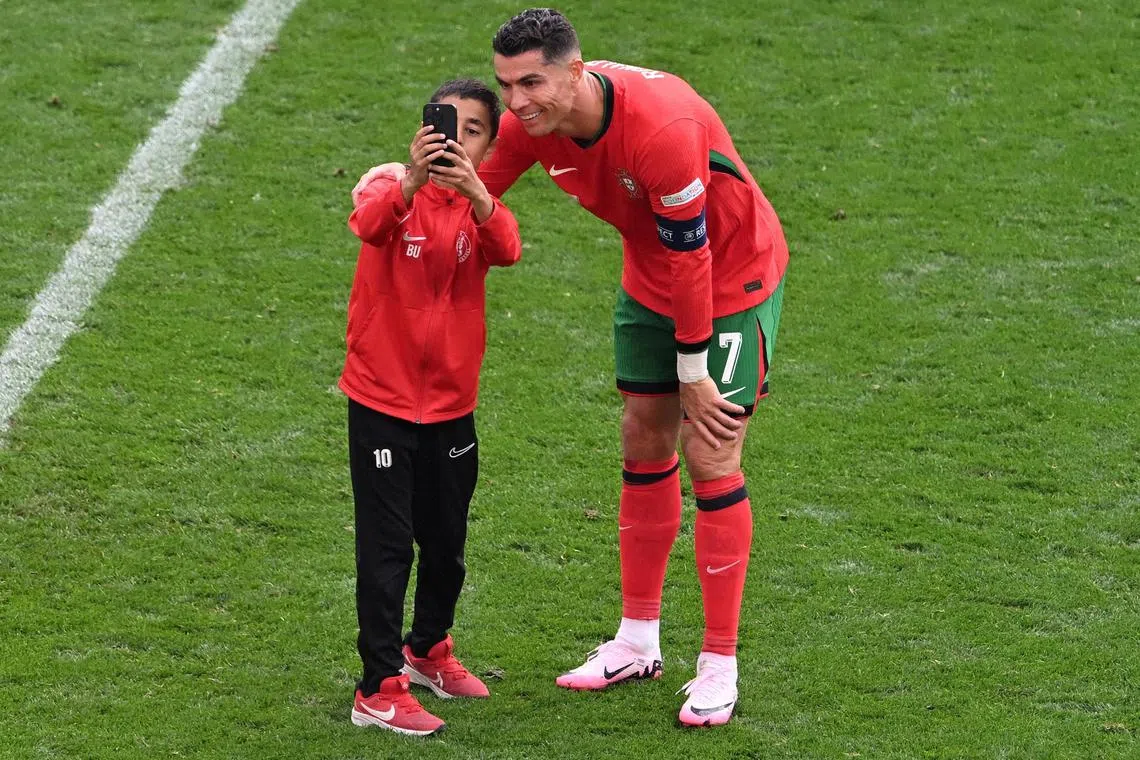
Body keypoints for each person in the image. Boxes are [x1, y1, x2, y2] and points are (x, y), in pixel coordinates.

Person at [355, 8, 788, 727]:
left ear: (578, 71)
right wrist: (396, 185)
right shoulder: (533, 126)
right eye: (506, 85)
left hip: (729, 280)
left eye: (532, 83)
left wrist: (694, 367)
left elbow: (694, 254)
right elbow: (461, 194)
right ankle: (637, 640)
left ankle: (719, 663)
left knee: (711, 448)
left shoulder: (664, 129)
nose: (517, 105)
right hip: (651, 281)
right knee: (642, 439)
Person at [340, 78, 521, 737]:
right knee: (388, 548)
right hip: (382, 402)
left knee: (446, 542)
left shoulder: (482, 205)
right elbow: (368, 224)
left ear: (490, 144)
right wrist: (413, 180)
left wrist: (476, 192)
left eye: (474, 130)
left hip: (450, 405)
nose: (459, 139)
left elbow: (509, 249)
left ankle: (428, 650)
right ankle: (378, 687)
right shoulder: (388, 182)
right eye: (451, 126)